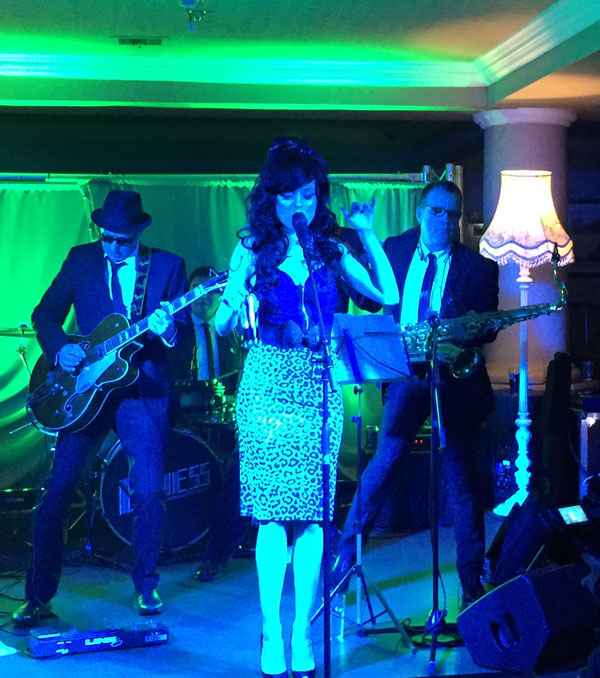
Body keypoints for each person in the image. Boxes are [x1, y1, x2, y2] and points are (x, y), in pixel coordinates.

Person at [215, 137, 399, 678]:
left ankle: (301, 632)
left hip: (319, 386)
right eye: (290, 195)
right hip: (267, 386)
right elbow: (223, 322)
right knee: (274, 514)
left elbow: (387, 296)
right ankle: (272, 631)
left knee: (314, 514)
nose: (301, 205)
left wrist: (368, 233)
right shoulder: (250, 249)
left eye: (310, 195)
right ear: (271, 198)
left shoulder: (330, 250)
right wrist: (232, 304)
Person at [13, 190, 189, 627]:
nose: (112, 247)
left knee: (148, 491)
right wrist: (60, 351)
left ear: (138, 233)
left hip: (139, 392)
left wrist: (168, 331)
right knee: (57, 491)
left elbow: (183, 339)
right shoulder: (81, 259)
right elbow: (45, 315)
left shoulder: (167, 266)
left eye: (121, 241)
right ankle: (37, 596)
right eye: (106, 238)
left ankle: (146, 586)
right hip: (85, 390)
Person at [333, 179, 499, 611]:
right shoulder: (394, 249)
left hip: (453, 377)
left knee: (462, 480)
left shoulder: (479, 267)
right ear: (420, 212)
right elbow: (371, 301)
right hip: (406, 374)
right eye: (436, 211)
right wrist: (343, 262)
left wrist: (460, 325)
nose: (445, 221)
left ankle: (470, 579)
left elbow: (488, 328)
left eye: (452, 214)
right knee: (383, 464)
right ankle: (344, 564)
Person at [186, 265, 246, 582]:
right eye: (199, 290)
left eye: (212, 291)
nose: (205, 297)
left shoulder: (230, 331)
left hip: (225, 417)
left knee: (234, 475)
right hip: (183, 415)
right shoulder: (178, 331)